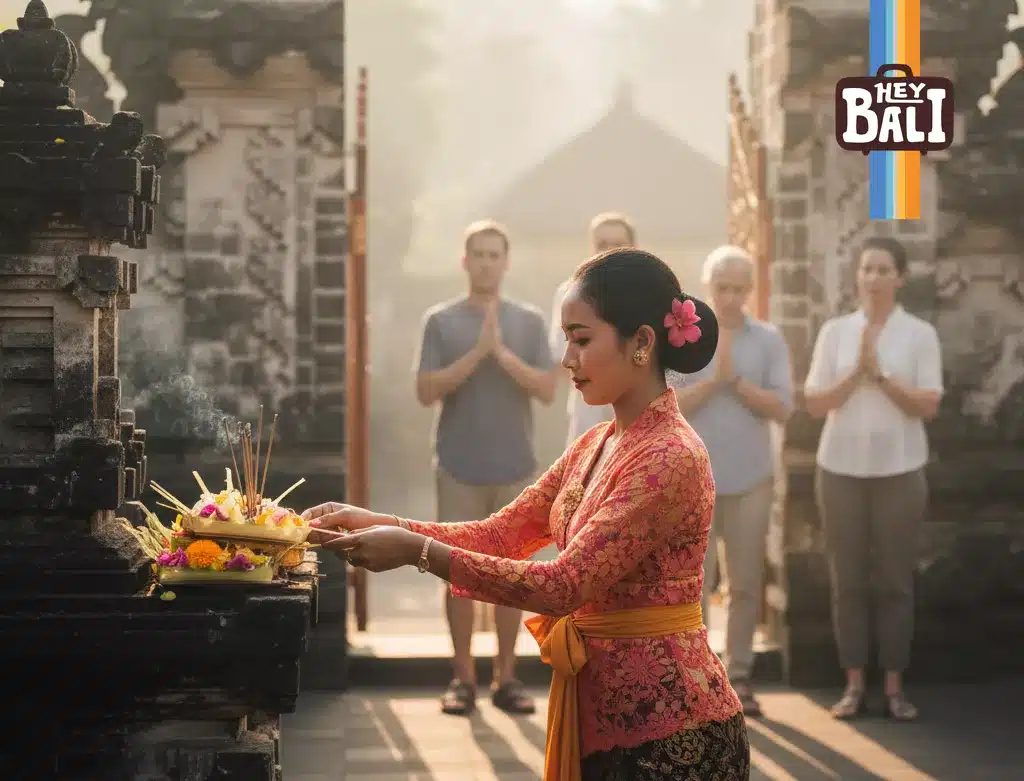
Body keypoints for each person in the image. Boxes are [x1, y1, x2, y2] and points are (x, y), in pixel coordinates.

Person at [305, 248, 750, 781]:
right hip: (604, 720)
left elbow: (563, 586)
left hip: (673, 734)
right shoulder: (596, 443)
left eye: (582, 339)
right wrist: (379, 522)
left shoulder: (668, 457)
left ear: (642, 343)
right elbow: (500, 533)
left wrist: (416, 554)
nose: (567, 359)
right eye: (566, 339)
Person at [411, 219, 556, 716]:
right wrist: (477, 352)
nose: (487, 263)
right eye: (479, 254)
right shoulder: (441, 320)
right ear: (465, 260)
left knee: (512, 579)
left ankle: (507, 678)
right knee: (458, 575)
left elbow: (547, 388)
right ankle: (462, 678)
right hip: (458, 465)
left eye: (496, 255)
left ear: (506, 262)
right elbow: (426, 390)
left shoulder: (530, 321)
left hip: (515, 465)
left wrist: (502, 353)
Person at [803, 236, 943, 722]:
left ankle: (895, 686)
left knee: (894, 581)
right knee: (848, 580)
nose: (874, 278)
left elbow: (929, 405)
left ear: (900, 277)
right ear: (856, 277)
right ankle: (854, 684)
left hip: (900, 471)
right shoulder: (836, 332)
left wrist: (879, 375)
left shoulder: (919, 334)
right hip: (839, 470)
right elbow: (815, 403)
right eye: (867, 269)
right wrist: (855, 375)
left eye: (884, 269)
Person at [674, 245, 792, 717]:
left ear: (750, 290)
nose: (730, 297)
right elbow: (667, 407)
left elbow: (784, 407)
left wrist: (737, 382)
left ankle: (738, 673)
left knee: (745, 583)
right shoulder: (683, 337)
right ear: (708, 288)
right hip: (693, 481)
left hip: (750, 478)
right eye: (722, 287)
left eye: (739, 288)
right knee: (692, 584)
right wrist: (713, 382)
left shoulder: (768, 340)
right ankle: (697, 678)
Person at [548, 213, 636, 445]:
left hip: (637, 417)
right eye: (602, 245)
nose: (608, 251)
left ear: (633, 248)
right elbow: (562, 357)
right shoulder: (570, 293)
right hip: (588, 419)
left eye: (617, 245)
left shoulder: (649, 295)